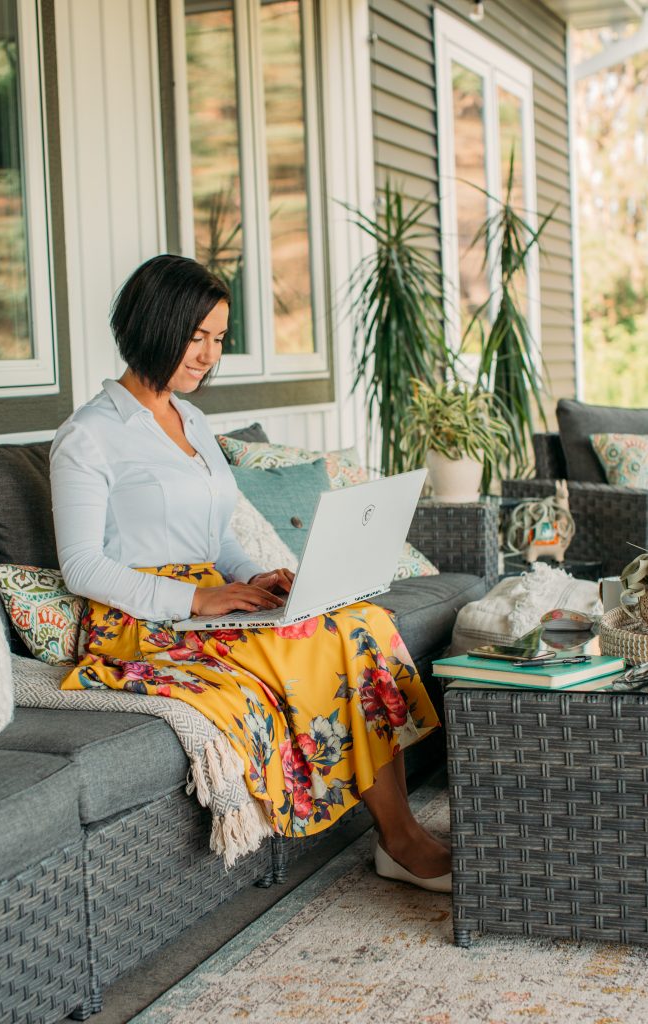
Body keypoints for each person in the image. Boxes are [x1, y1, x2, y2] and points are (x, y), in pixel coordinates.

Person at [50, 254, 451, 891]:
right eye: (196, 336)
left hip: (214, 598)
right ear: (154, 325)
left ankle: (396, 835)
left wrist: (261, 578)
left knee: (362, 620)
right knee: (319, 641)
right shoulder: (89, 436)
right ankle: (400, 838)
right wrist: (199, 598)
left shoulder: (194, 422)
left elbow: (219, 536)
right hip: (142, 622)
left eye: (218, 339)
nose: (208, 355)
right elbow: (82, 566)